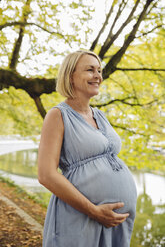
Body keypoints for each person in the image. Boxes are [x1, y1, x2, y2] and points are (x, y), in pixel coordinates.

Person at [38, 50, 137, 247]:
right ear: (70, 76)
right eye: (90, 70)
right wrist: (94, 210)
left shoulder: (99, 115)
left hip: (115, 223)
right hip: (80, 217)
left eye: (99, 70)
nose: (98, 76)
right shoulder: (58, 115)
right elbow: (46, 175)